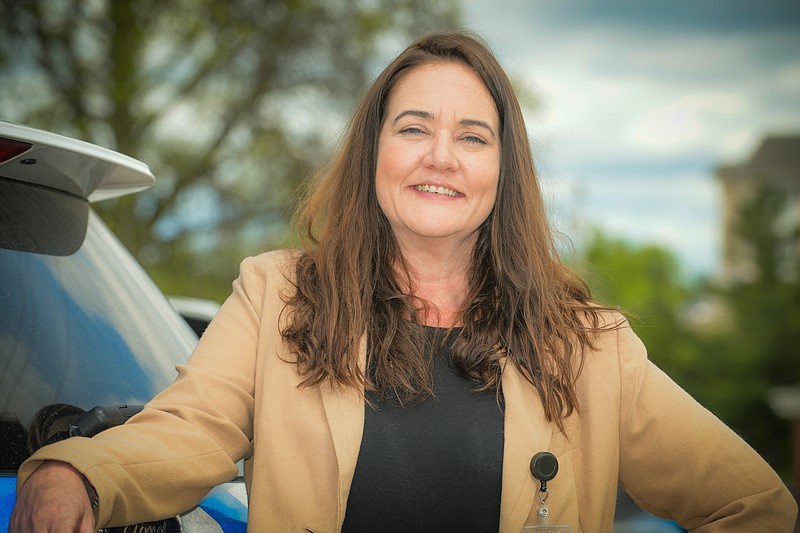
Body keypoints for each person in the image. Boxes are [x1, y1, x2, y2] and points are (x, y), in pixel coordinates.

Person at [10, 31, 797, 533]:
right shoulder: (277, 296)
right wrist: (80, 468)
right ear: (374, 153)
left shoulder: (591, 344)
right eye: (414, 127)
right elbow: (187, 430)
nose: (441, 156)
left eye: (473, 137)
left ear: (502, 172)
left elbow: (753, 506)